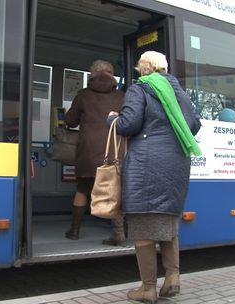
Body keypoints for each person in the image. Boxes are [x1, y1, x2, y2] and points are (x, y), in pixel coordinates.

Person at [107, 51, 201, 303]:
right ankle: (173, 277)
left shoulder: (141, 89)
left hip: (148, 165)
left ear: (144, 68)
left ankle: (148, 288)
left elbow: (129, 124)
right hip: (177, 163)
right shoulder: (179, 92)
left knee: (144, 223)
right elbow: (193, 125)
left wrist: (113, 119)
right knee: (168, 223)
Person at [64, 59, 126, 246]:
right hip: (113, 150)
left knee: (82, 189)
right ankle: (118, 232)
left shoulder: (83, 95)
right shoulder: (121, 97)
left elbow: (71, 121)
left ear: (92, 74)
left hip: (88, 152)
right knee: (115, 190)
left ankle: (75, 230)